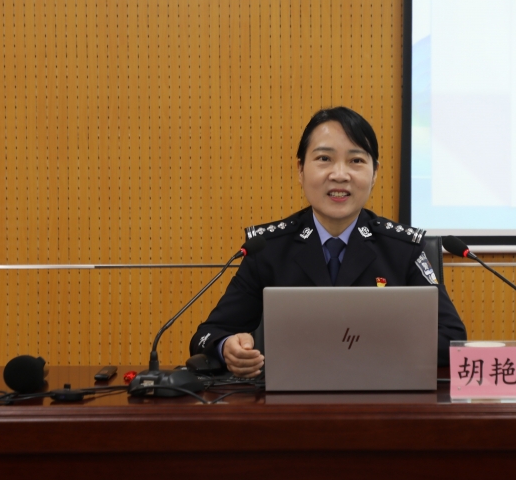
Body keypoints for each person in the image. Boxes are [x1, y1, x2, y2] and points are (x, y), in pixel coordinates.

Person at [189, 107, 467, 377]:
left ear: (375, 173)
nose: (340, 174)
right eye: (324, 158)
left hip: (382, 397)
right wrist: (228, 348)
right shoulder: (268, 249)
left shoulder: (402, 249)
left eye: (356, 161)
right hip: (289, 401)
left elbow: (452, 338)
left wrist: (371, 347)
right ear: (300, 169)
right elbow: (208, 335)